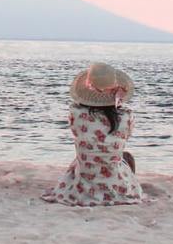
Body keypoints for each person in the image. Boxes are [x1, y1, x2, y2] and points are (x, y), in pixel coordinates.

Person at [41, 62, 143, 206]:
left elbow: (77, 130)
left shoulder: (76, 114)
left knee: (83, 157)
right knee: (127, 157)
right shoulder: (126, 117)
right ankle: (121, 188)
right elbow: (125, 136)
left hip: (83, 183)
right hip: (114, 181)